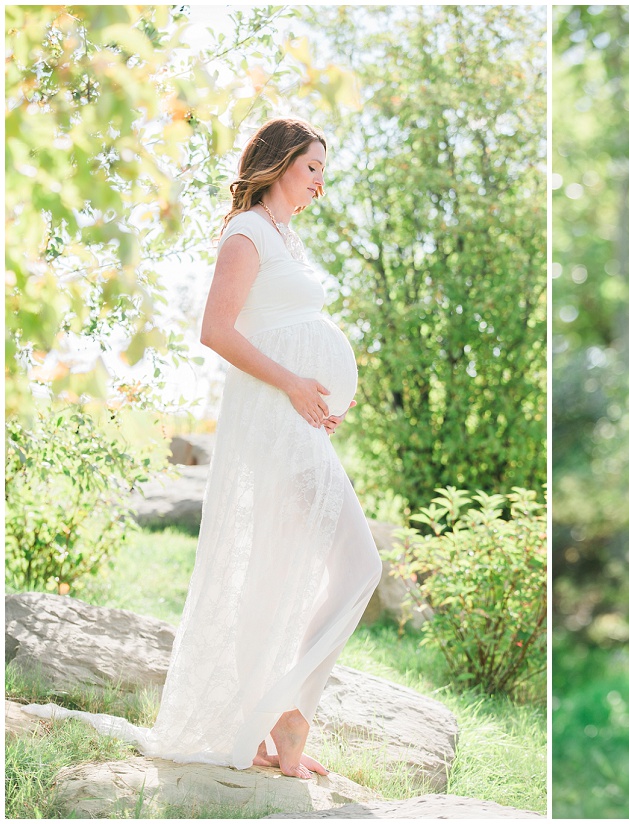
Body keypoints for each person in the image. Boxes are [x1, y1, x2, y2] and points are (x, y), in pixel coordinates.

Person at [25, 117, 383, 780]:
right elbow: (216, 330)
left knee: (303, 566)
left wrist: (320, 392)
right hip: (272, 423)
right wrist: (296, 384)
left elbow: (286, 328)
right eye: (312, 168)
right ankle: (286, 713)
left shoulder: (285, 237)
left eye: (323, 171)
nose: (321, 183)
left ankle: (272, 715)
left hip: (295, 421)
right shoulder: (246, 233)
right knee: (357, 562)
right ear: (278, 164)